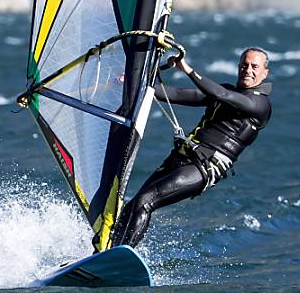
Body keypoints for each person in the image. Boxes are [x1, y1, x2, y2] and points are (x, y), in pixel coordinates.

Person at [113, 47, 272, 248]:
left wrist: (187, 69)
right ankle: (103, 252)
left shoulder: (260, 104)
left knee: (146, 201)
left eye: (254, 66)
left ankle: (122, 255)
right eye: (244, 65)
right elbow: (177, 94)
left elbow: (222, 94)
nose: (248, 70)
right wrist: (136, 85)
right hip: (182, 156)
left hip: (203, 168)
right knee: (132, 207)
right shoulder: (227, 91)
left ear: (264, 73)